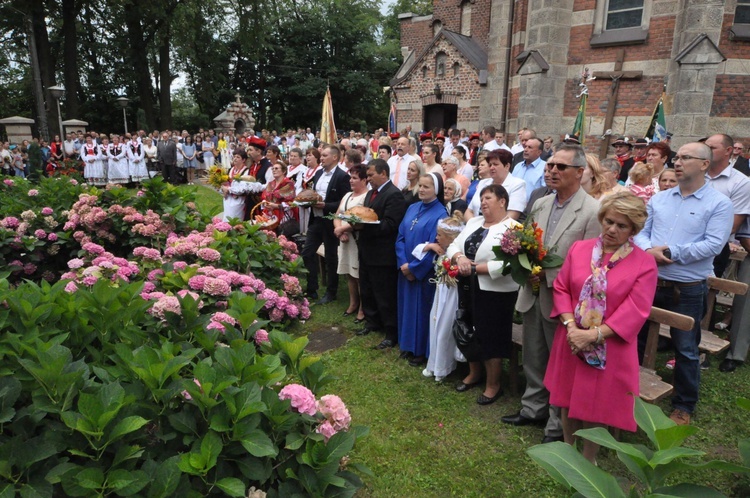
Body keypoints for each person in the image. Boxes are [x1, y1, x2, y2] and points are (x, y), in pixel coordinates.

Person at [545, 192, 658, 462]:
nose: (612, 229)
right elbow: (561, 288)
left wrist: (593, 335)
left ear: (633, 230)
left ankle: (589, 459)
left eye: (622, 225)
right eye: (609, 221)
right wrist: (572, 327)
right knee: (567, 395)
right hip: (571, 338)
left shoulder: (644, 263)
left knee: (597, 404)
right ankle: (568, 452)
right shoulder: (579, 249)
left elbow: (636, 309)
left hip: (610, 346)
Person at [501, 143, 601, 443]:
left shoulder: (593, 211)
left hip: (565, 303)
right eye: (550, 166)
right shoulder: (542, 203)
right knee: (533, 355)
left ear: (580, 172)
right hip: (533, 293)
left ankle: (557, 425)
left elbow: (591, 265)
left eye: (561, 167)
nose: (552, 171)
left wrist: (550, 273)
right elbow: (529, 242)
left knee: (560, 364)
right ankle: (533, 408)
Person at [635, 142, 733, 425]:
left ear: (704, 164)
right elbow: (642, 232)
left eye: (685, 158)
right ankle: (630, 389)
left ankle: (684, 404)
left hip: (687, 288)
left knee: (686, 348)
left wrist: (670, 253)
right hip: (650, 281)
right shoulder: (660, 198)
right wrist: (648, 250)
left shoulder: (719, 204)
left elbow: (713, 245)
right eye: (676, 157)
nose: (677, 162)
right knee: (636, 336)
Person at [448, 184, 520, 404]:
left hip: (495, 292)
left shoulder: (514, 228)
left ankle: (493, 384)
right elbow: (453, 245)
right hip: (468, 285)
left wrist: (476, 268)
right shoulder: (474, 222)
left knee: (492, 336)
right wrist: (459, 258)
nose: (483, 202)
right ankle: (474, 372)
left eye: (488, 197)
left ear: (502, 202)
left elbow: (510, 264)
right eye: (481, 198)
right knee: (468, 328)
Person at [396, 173, 448, 366]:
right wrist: (403, 264)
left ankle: (420, 350)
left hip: (423, 273)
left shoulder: (441, 214)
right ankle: (407, 345)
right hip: (405, 268)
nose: (422, 190)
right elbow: (400, 236)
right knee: (407, 308)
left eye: (427, 186)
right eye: (421, 185)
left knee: (421, 311)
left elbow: (438, 247)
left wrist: (413, 268)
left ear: (436, 190)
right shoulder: (412, 207)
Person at [356, 159, 408, 350]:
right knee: (367, 289)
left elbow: (391, 224)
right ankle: (372, 322)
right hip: (367, 250)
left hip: (382, 254)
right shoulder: (371, 193)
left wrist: (365, 225)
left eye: (370, 175)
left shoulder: (394, 195)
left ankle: (391, 332)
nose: (368, 179)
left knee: (384, 294)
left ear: (383, 173)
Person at [418, 211, 465, 381]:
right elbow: (418, 251)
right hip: (441, 292)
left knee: (445, 327)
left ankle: (443, 367)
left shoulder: (456, 256)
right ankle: (433, 364)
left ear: (452, 238)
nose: (436, 238)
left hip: (451, 296)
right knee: (435, 323)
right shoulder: (441, 253)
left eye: (440, 235)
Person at [301, 145, 351, 304]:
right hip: (315, 220)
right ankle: (312, 288)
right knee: (307, 252)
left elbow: (344, 202)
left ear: (335, 157)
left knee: (331, 257)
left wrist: (326, 206)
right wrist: (306, 202)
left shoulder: (342, 176)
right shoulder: (318, 173)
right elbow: (314, 195)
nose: (321, 158)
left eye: (324, 155)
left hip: (330, 221)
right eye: (321, 156)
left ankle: (331, 292)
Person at [334, 164, 369, 324]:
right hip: (344, 239)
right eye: (351, 177)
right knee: (349, 273)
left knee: (358, 274)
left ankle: (363, 307)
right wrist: (339, 229)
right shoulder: (347, 195)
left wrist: (343, 230)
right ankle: (353, 302)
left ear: (364, 180)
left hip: (357, 239)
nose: (351, 181)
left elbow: (362, 219)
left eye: (355, 178)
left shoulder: (366, 197)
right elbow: (337, 214)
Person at [466, 149, 527, 220]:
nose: (491, 168)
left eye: (495, 164)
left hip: (500, 229)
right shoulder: (483, 183)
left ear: (507, 166)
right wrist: (473, 226)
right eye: (490, 165)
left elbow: (512, 216)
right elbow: (469, 211)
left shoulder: (517, 184)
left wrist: (489, 229)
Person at [222, 150, 262, 221]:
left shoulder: (246, 171)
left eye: (238, 157)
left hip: (239, 200)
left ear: (243, 160)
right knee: (227, 218)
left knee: (236, 219)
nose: (235, 159)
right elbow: (225, 182)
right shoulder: (230, 170)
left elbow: (244, 187)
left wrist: (229, 189)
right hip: (228, 199)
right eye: (234, 157)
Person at [261, 160, 298, 236]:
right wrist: (266, 204)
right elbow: (264, 196)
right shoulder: (271, 183)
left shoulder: (289, 183)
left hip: (283, 213)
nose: (274, 170)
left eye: (277, 168)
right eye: (273, 169)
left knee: (281, 236)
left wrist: (276, 206)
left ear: (284, 171)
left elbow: (291, 201)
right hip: (270, 213)